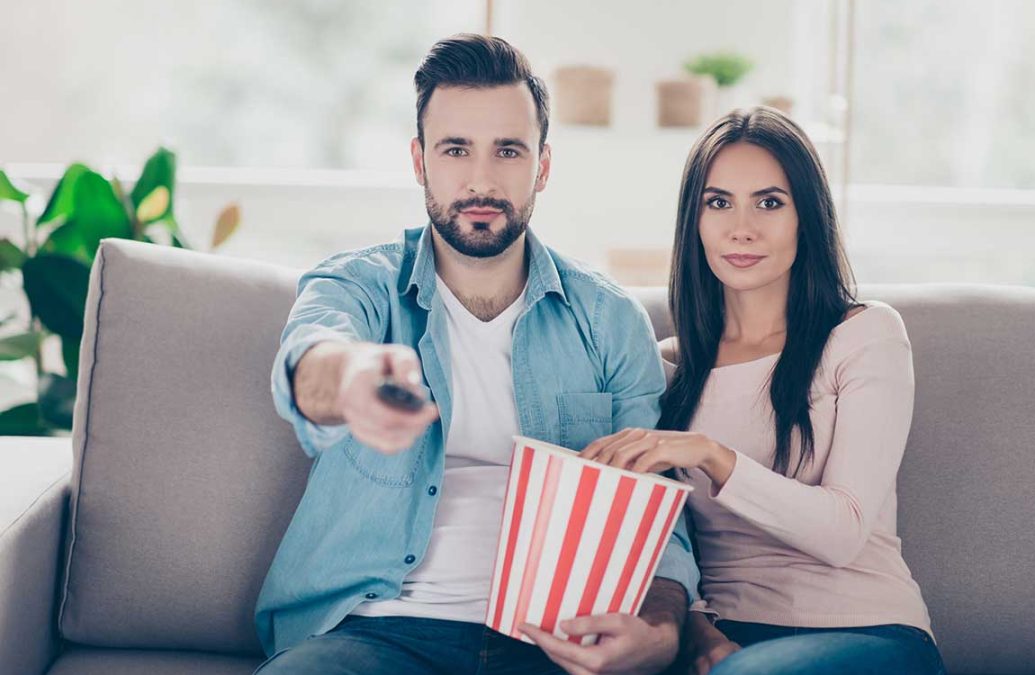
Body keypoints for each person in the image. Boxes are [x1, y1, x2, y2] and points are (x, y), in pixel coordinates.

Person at [253, 33, 698, 675]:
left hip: (556, 642)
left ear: (542, 165)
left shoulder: (609, 319)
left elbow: (657, 510)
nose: (482, 179)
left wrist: (662, 626)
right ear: (420, 161)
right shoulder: (359, 285)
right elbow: (310, 358)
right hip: (373, 636)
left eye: (508, 151)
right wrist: (352, 381)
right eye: (455, 149)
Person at [580, 107, 947, 675]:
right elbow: (672, 550)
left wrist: (711, 454)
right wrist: (697, 634)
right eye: (718, 202)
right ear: (694, 220)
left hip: (865, 632)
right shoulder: (669, 367)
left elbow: (843, 532)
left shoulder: (865, 334)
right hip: (725, 644)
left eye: (770, 203)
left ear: (808, 216)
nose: (741, 227)